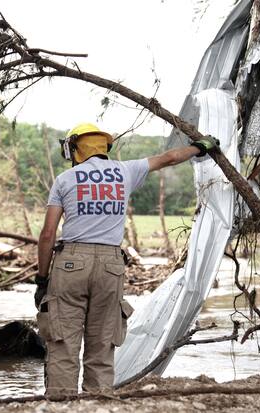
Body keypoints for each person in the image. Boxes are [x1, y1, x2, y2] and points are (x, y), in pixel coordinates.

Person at [35, 122, 218, 397]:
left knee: (62, 343)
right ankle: (98, 403)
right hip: (110, 266)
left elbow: (48, 234)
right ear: (103, 146)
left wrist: (42, 279)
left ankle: (61, 409)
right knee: (102, 343)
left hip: (71, 262)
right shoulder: (124, 171)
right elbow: (169, 158)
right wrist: (200, 146)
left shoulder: (65, 179)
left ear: (75, 148)